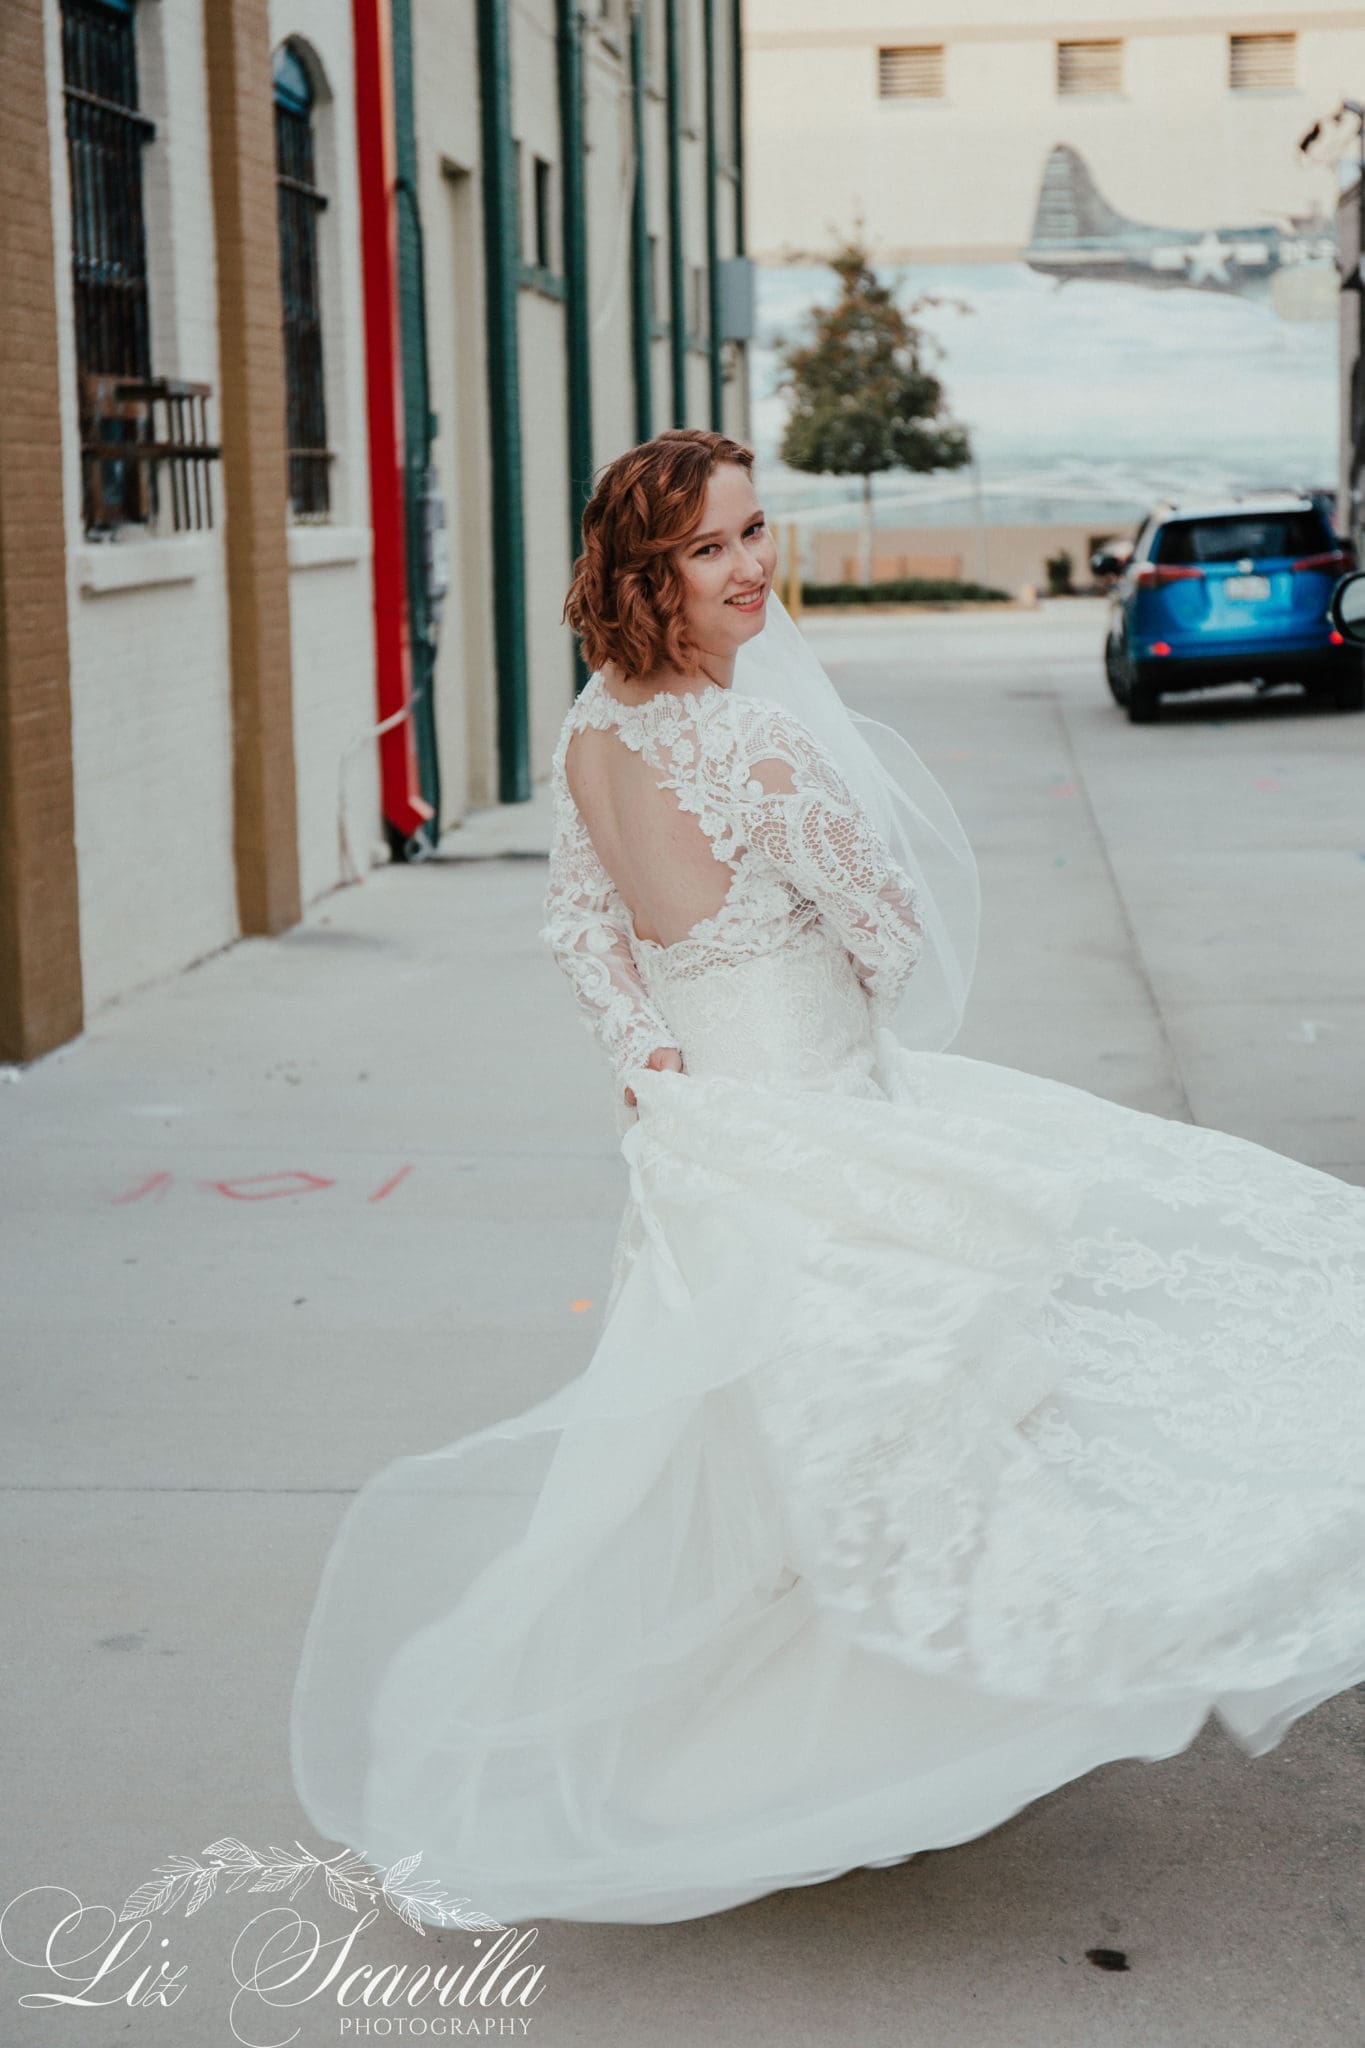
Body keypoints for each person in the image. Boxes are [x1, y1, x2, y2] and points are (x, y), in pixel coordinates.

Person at [290, 429, 1365, 1929]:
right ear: (649, 574)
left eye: (754, 531)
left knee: (758, 1427)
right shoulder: (759, 747)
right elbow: (889, 931)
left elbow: (586, 933)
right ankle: (876, 1739)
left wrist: (652, 1063)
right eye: (711, 548)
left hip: (703, 1136)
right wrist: (805, 1006)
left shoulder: (590, 731)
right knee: (894, 1406)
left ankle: (793, 1731)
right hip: (817, 1116)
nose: (751, 568)